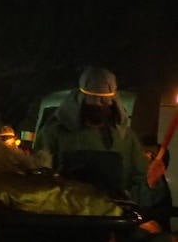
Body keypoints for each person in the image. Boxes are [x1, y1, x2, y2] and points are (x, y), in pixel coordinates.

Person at [34, 67, 168, 231]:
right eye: (93, 100)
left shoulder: (125, 139)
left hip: (114, 226)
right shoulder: (54, 133)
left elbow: (139, 195)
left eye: (104, 101)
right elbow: (38, 185)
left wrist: (151, 182)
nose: (98, 105)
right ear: (81, 100)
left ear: (113, 102)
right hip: (67, 225)